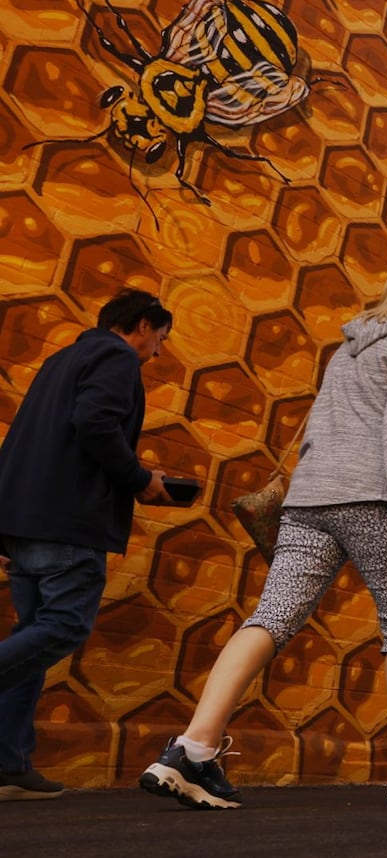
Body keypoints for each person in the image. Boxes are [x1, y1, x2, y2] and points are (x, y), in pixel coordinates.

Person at [139, 247, 387, 810]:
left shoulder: (351, 343)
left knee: (270, 617)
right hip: (376, 497)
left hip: (309, 499)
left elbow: (319, 424)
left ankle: (192, 747)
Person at [0, 288, 175, 800]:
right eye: (159, 339)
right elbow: (96, 424)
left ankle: (9, 763)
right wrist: (139, 478)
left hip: (25, 523)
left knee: (32, 644)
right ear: (142, 324)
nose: (157, 352)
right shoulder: (115, 355)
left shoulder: (61, 360)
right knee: (64, 625)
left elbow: (21, 441)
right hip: (67, 524)